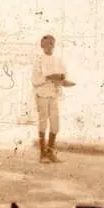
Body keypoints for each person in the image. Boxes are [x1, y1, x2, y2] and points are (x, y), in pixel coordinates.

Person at [31, 34, 73, 163]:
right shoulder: (38, 60)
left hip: (53, 94)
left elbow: (63, 75)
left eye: (52, 44)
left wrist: (63, 80)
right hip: (42, 94)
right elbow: (35, 81)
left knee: (55, 123)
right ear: (42, 45)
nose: (50, 47)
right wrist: (48, 78)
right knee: (43, 121)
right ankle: (42, 154)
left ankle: (50, 152)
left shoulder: (57, 60)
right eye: (48, 44)